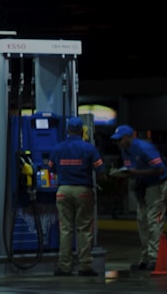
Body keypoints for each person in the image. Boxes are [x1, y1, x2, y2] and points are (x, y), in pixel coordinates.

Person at [49, 117, 106, 276]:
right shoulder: (89, 148)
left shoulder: (58, 148)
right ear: (82, 131)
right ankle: (85, 266)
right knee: (84, 229)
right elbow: (101, 170)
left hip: (63, 191)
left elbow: (51, 169)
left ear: (67, 130)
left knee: (65, 230)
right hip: (83, 191)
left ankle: (64, 267)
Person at [110, 124, 167, 271]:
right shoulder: (125, 151)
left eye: (120, 139)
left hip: (158, 184)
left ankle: (154, 258)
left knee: (153, 220)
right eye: (116, 140)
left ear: (130, 137)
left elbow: (160, 169)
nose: (118, 143)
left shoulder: (144, 147)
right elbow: (132, 171)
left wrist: (136, 173)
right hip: (143, 186)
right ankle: (145, 258)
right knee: (142, 221)